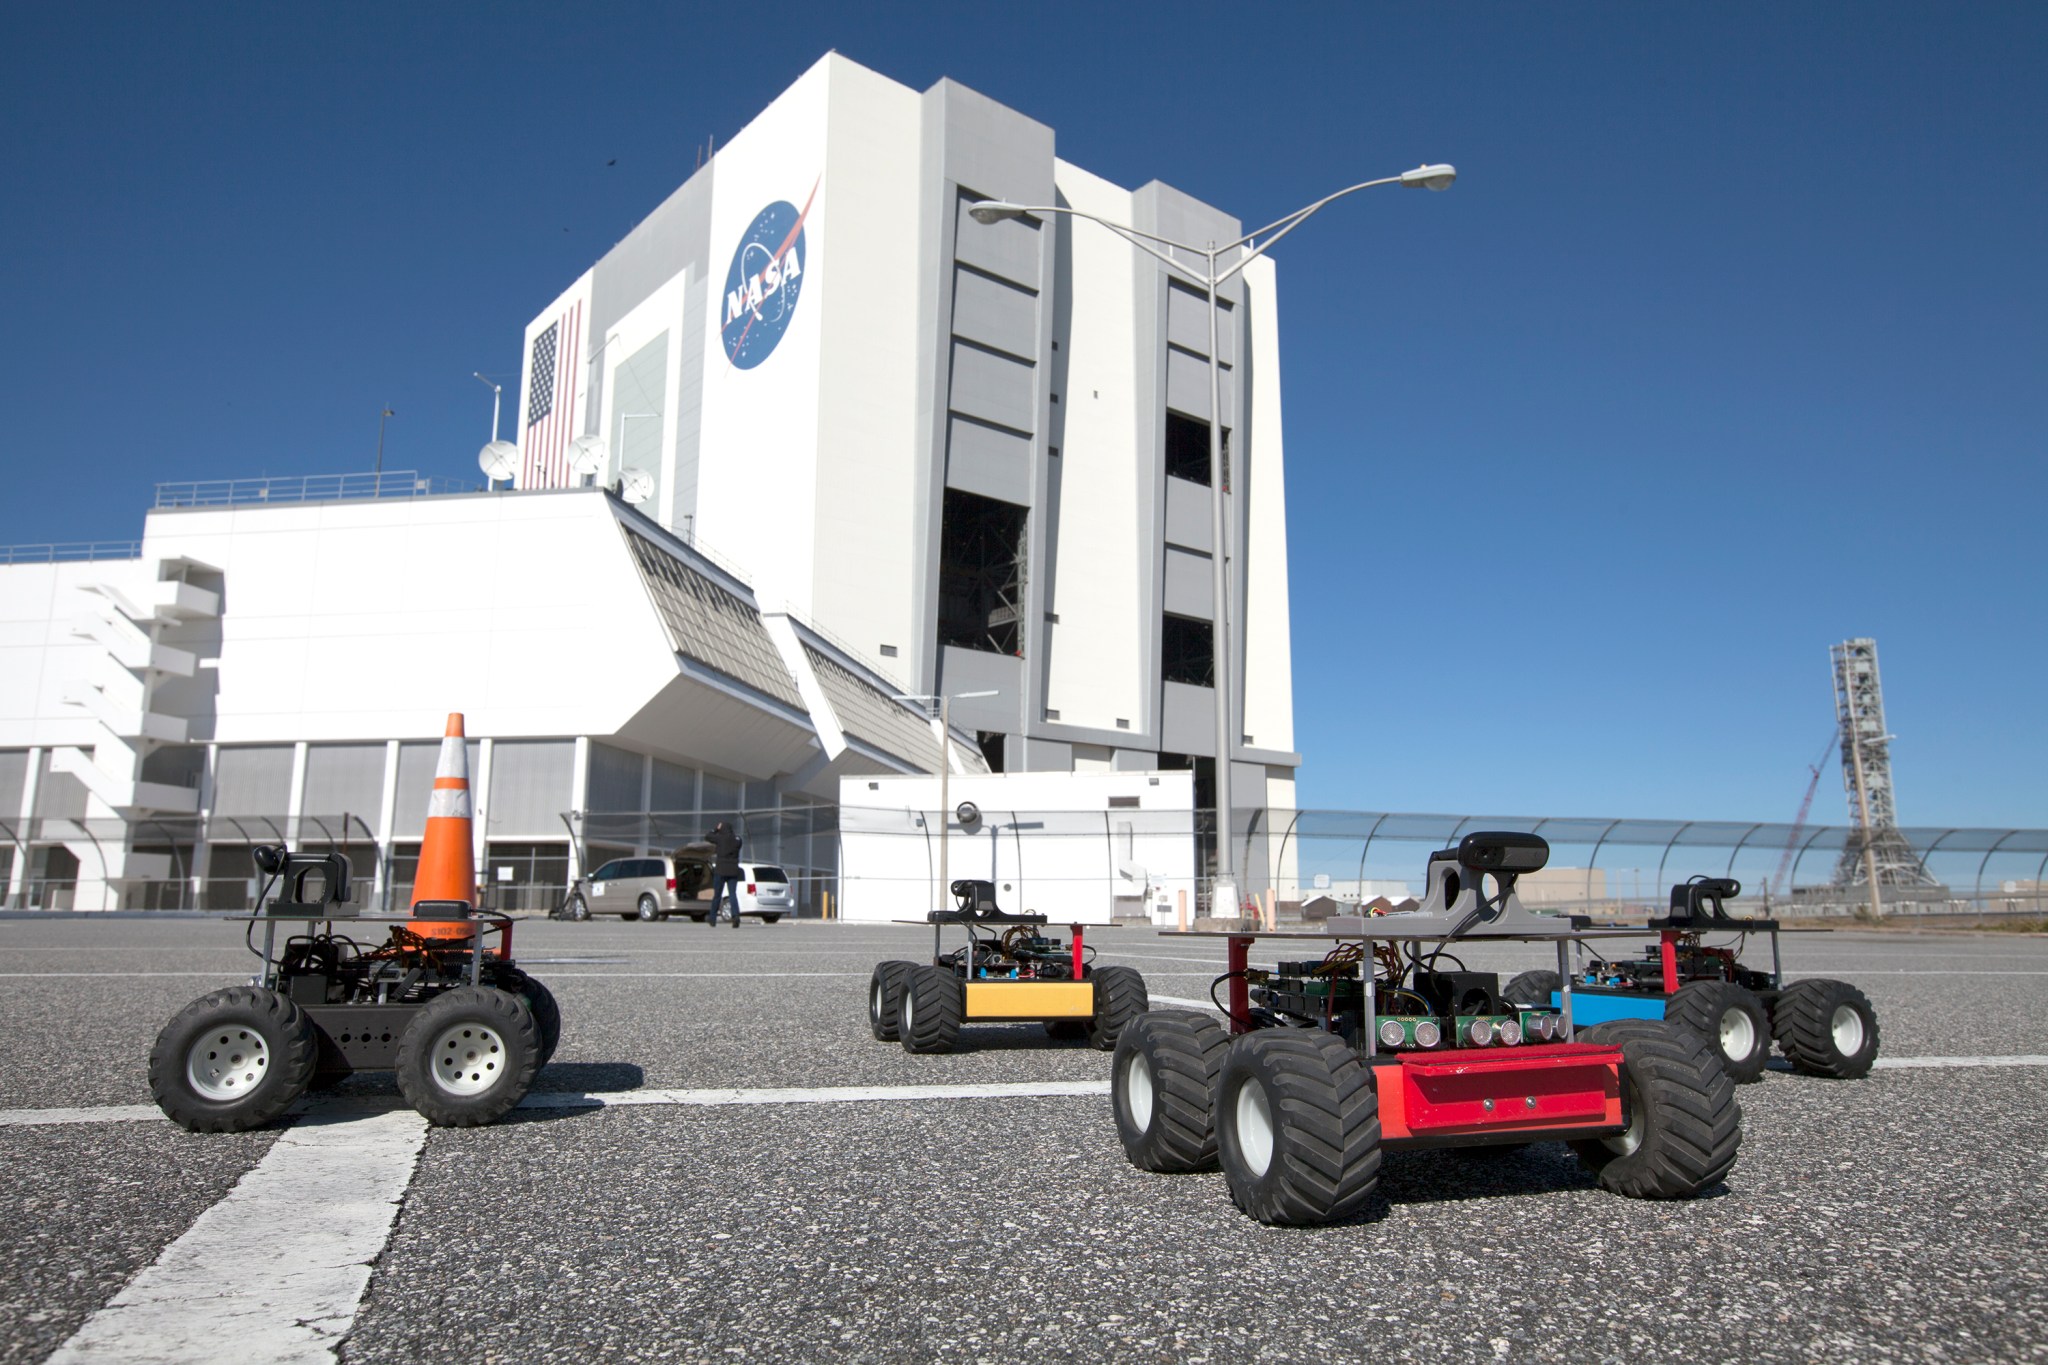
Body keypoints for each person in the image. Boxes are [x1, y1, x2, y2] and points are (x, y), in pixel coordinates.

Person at [705, 819, 743, 929]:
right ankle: (735, 916)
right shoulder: (738, 840)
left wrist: (716, 829)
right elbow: (736, 841)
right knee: (732, 894)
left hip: (721, 870)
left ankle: (712, 918)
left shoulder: (720, 838)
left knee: (717, 895)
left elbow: (708, 836)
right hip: (733, 870)